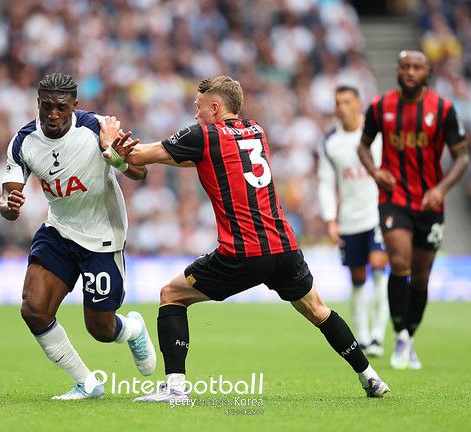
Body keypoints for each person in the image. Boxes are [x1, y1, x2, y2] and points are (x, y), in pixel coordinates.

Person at [101, 76, 390, 401]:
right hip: (284, 247)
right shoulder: (256, 131)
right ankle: (370, 377)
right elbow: (185, 157)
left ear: (214, 107)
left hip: (242, 252)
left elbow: (140, 156)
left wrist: (110, 142)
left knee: (172, 295)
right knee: (318, 310)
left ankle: (176, 388)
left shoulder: (202, 135)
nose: (195, 114)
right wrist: (131, 158)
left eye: (198, 107)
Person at [0, 73, 156, 400]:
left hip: (103, 236)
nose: (53, 115)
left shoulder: (99, 128)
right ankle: (87, 382)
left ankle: (133, 329)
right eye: (46, 107)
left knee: (100, 329)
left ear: (75, 106)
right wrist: (7, 206)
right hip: (59, 230)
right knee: (34, 309)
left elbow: (141, 172)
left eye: (61, 108)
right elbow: (7, 198)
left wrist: (115, 157)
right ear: (37, 104)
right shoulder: (24, 141)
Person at [358, 50, 470, 369]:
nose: (409, 72)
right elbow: (363, 145)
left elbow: (462, 157)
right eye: (405, 66)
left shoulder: (443, 109)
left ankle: (409, 335)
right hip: (394, 198)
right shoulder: (380, 106)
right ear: (398, 70)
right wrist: (374, 172)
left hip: (429, 202)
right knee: (398, 261)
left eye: (416, 67)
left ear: (427, 72)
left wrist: (441, 189)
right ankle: (399, 335)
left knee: (421, 277)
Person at [318, 86, 389, 357]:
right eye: (338, 102)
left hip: (378, 214)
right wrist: (330, 219)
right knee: (358, 277)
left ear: (359, 104)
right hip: (349, 219)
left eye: (347, 101)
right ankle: (362, 337)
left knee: (379, 268)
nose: (342, 107)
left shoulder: (377, 134)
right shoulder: (330, 142)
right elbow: (326, 183)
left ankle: (378, 336)